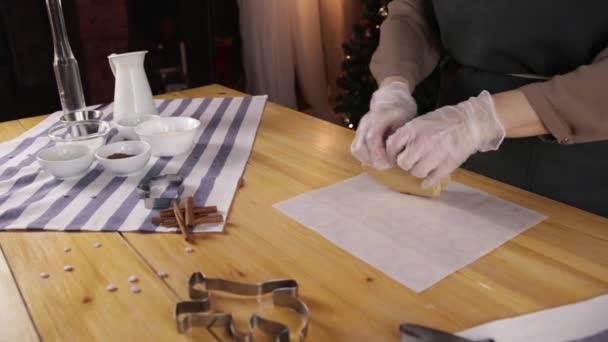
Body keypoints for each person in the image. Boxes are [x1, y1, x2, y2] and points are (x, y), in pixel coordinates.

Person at [351, 0, 608, 217]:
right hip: (451, 150)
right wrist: (393, 88)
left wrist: (480, 120)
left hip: (582, 159)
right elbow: (413, 12)